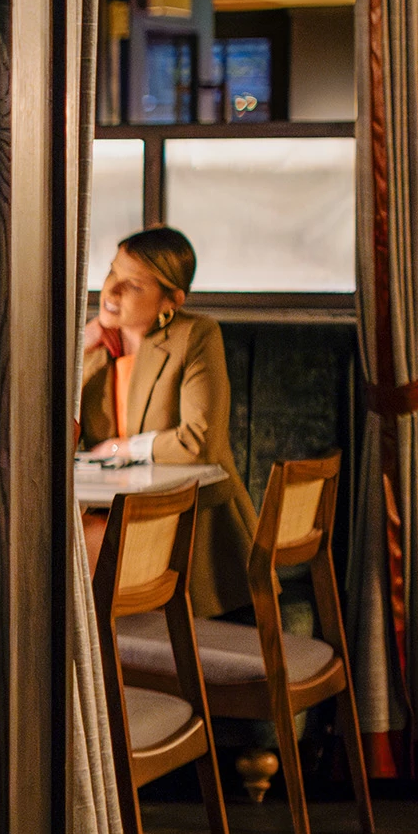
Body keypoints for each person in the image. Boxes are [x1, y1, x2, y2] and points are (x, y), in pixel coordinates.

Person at [80, 226, 257, 617]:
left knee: (83, 543)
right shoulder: (93, 344)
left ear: (171, 300)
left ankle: (97, 651)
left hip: (182, 519)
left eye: (134, 285)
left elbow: (199, 442)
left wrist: (124, 448)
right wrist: (78, 347)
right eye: (111, 272)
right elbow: (44, 430)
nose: (111, 291)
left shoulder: (195, 335)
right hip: (112, 510)